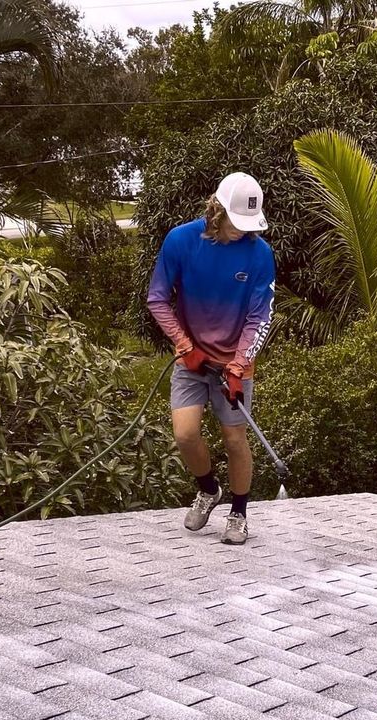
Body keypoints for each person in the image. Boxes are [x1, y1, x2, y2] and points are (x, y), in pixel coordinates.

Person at [147, 172, 275, 545]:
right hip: (191, 360)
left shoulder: (259, 254)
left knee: (235, 438)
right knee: (184, 434)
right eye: (237, 222)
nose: (243, 231)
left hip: (234, 363)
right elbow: (157, 298)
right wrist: (185, 346)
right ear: (217, 210)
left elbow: (260, 315)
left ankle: (239, 513)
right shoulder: (180, 241)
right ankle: (208, 489)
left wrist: (237, 367)